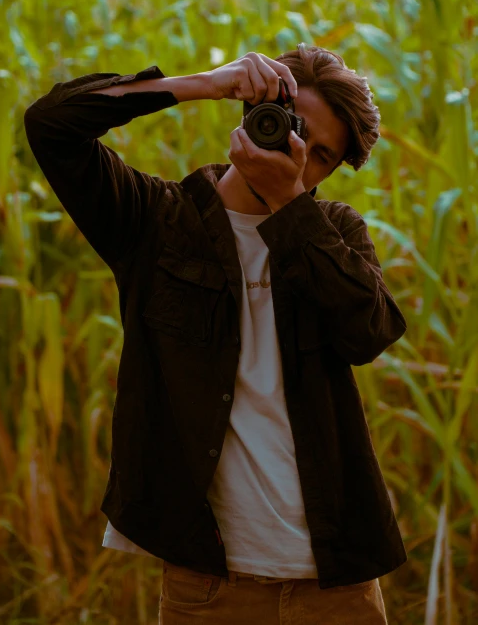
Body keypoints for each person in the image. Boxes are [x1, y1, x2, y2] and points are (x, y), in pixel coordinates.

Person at [24, 44, 408, 624]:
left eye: (321, 156)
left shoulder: (334, 232)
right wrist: (205, 83)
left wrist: (287, 201)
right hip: (208, 588)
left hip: (338, 588)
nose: (299, 156)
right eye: (292, 126)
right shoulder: (156, 221)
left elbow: (368, 332)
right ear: (255, 110)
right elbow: (50, 125)